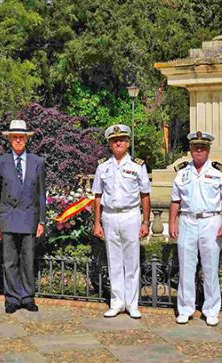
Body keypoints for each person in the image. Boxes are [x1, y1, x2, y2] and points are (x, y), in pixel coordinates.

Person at [169, 131, 222, 326]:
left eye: (203, 147)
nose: (199, 150)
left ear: (208, 149)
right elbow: (175, 200)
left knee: (210, 267)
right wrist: (172, 222)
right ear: (190, 149)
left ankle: (211, 310)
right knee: (186, 266)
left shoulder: (219, 172)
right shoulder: (181, 172)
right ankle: (185, 309)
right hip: (188, 220)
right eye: (195, 146)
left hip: (210, 221)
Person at [92, 124, 151, 319]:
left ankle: (132, 304)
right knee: (114, 261)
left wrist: (145, 222)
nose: (118, 143)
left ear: (127, 143)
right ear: (110, 144)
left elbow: (145, 195)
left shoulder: (138, 165)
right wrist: (97, 223)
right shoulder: (103, 166)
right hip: (109, 216)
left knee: (132, 261)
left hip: (130, 215)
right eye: (114, 140)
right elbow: (98, 196)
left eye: (122, 140)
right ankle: (117, 303)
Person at [0, 120, 46, 314]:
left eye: (21, 137)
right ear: (9, 140)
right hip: (7, 219)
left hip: (29, 218)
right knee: (9, 261)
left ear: (26, 139)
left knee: (28, 260)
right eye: (14, 137)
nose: (18, 140)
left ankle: (27, 297)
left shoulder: (37, 162)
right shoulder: (0, 162)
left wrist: (41, 221)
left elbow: (41, 193)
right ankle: (12, 298)